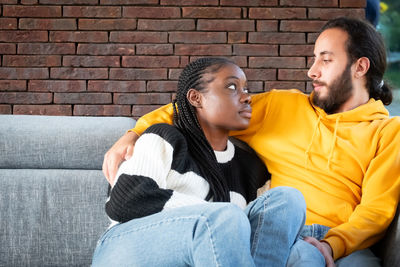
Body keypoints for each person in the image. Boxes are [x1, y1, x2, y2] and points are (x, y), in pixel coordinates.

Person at [103, 17, 400, 266]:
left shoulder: (388, 131)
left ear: (360, 67)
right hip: (275, 231)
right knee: (288, 202)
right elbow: (202, 107)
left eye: (326, 59)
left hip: (338, 241)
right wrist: (135, 132)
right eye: (313, 59)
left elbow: (376, 211)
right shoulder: (281, 106)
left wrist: (331, 245)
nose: (312, 70)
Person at [93, 57, 311, 266]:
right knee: (225, 217)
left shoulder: (250, 167)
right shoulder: (165, 137)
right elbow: (124, 201)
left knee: (288, 199)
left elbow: (265, 234)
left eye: (246, 89)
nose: (246, 97)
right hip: (125, 248)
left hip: (206, 256)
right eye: (232, 87)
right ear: (196, 98)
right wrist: (220, 216)